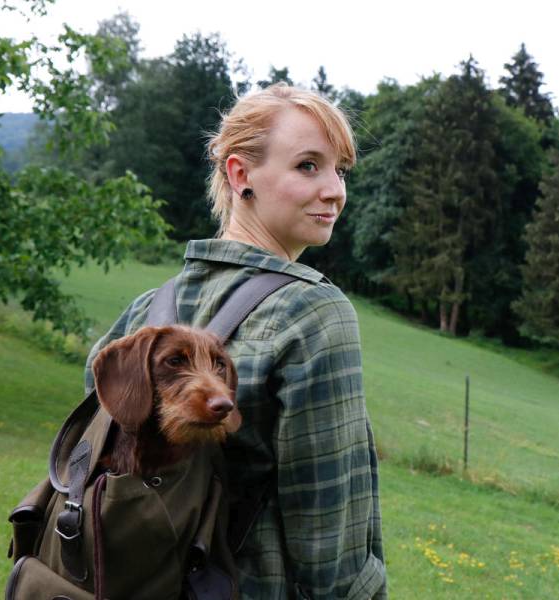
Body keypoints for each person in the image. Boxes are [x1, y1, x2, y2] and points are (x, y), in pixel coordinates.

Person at [84, 84, 386, 600]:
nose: (335, 190)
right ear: (240, 174)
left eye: (341, 170)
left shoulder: (144, 310)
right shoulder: (315, 312)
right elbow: (329, 541)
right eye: (308, 166)